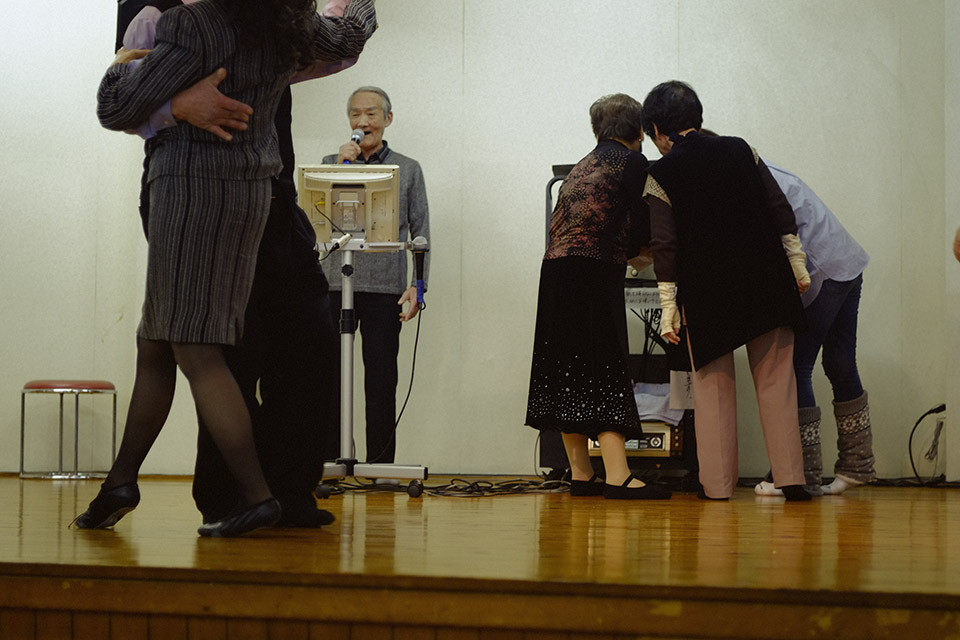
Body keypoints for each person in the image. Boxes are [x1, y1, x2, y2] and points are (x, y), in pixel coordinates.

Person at [73, 0, 376, 537]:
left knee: (197, 349)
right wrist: (176, 102)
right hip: (250, 190)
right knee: (158, 341)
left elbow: (114, 106)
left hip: (191, 190)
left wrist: (126, 63)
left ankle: (257, 497)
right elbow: (349, 35)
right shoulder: (286, 24)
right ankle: (122, 481)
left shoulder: (192, 24)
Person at [640, 80, 811, 501]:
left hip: (708, 292)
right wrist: (797, 264)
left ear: (658, 129)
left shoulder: (660, 173)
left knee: (713, 391)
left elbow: (665, 245)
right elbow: (780, 209)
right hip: (767, 280)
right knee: (778, 383)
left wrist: (668, 308)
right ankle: (791, 481)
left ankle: (717, 488)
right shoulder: (740, 149)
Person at [525, 93, 671, 500]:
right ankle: (618, 476)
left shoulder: (582, 166)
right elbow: (646, 223)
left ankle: (581, 473)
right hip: (592, 271)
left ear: (596, 131)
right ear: (639, 131)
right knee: (605, 366)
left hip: (555, 271)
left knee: (567, 369)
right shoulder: (632, 162)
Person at [747, 160, 873, 496]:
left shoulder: (747, 181)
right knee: (840, 362)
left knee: (795, 366)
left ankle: (799, 472)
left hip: (821, 270)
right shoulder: (765, 168)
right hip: (846, 261)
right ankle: (857, 464)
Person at [320, 86, 430, 465]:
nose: (362, 121)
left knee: (381, 381)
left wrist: (418, 286)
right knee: (330, 380)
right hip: (334, 285)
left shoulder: (407, 168)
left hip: (385, 289)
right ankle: (331, 464)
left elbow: (421, 232)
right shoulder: (330, 163)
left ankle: (380, 466)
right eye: (355, 114)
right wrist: (341, 167)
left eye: (371, 114)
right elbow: (315, 222)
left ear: (387, 119)